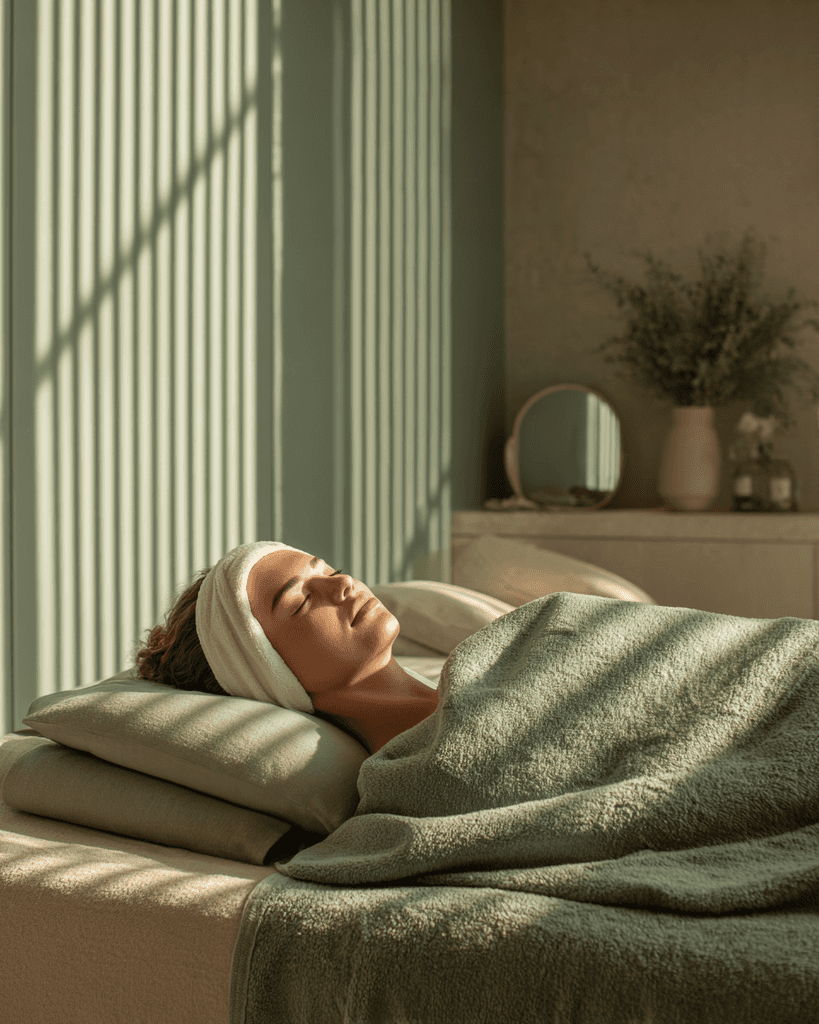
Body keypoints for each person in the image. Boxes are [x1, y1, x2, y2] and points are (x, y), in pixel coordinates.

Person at [134, 541, 439, 754]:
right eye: (302, 601)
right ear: (272, 673)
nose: (343, 582)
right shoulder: (410, 773)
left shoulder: (473, 670)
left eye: (330, 572)